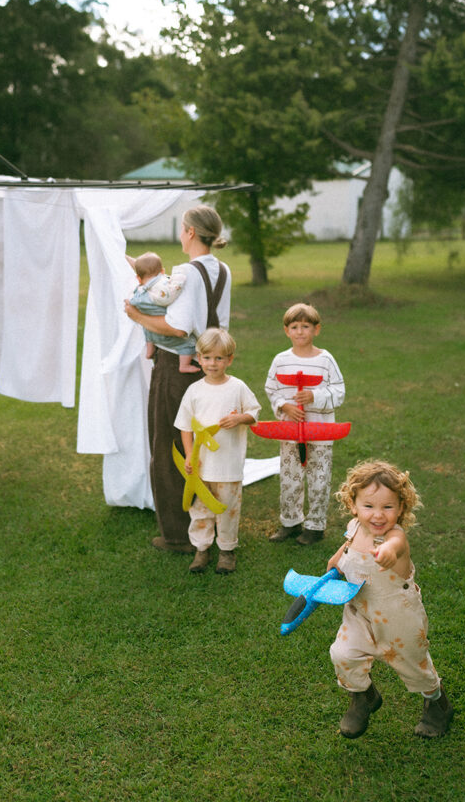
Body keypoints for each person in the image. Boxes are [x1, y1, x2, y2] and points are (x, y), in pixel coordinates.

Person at [124, 204, 231, 554]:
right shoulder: (223, 270)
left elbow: (178, 327)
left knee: (168, 445)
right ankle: (207, 527)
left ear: (188, 232)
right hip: (212, 365)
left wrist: (136, 315)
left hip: (177, 366)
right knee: (202, 447)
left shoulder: (186, 270)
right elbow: (217, 323)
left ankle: (176, 535)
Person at [326, 459, 454, 740]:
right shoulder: (354, 527)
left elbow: (395, 547)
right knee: (342, 653)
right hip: (359, 610)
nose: (378, 515)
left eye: (388, 507)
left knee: (413, 664)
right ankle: (363, 697)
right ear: (353, 505)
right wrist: (336, 562)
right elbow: (348, 546)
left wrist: (387, 554)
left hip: (398, 614)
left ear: (401, 508)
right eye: (368, 506)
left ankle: (437, 702)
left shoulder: (395, 537)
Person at [174, 329, 260, 575]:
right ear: (199, 358)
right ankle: (202, 548)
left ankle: (226, 549)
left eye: (219, 358)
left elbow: (254, 413)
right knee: (200, 508)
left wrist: (239, 418)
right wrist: (190, 456)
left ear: (229, 359)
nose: (213, 363)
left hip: (228, 464)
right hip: (202, 466)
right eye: (207, 358)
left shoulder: (237, 387)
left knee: (228, 508)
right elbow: (185, 427)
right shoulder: (194, 391)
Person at [264, 302, 345, 545]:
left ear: (316, 330)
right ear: (287, 330)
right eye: (295, 326)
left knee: (319, 478)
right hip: (290, 431)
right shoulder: (281, 360)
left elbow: (339, 391)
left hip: (319, 430)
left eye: (306, 326)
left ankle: (315, 525)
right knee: (290, 477)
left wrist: (314, 397)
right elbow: (271, 388)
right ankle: (290, 522)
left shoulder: (326, 360)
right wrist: (284, 406)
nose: (300, 331)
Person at [126, 252, 199, 373]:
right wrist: (178, 278)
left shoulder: (139, 292)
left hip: (151, 333)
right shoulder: (162, 289)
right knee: (188, 345)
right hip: (166, 333)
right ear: (163, 272)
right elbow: (169, 295)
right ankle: (184, 365)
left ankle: (149, 350)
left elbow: (142, 270)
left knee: (146, 326)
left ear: (138, 278)